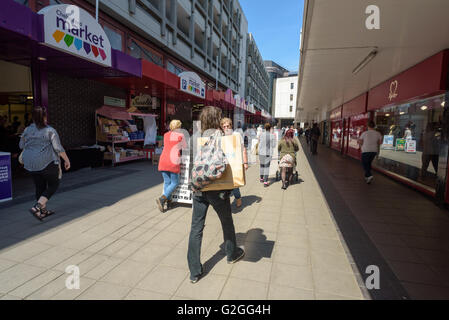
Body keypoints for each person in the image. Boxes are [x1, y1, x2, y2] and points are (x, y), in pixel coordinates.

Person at [187, 106, 245, 284]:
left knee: (196, 227)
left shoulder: (194, 137)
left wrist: (193, 186)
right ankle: (232, 253)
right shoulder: (224, 137)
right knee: (226, 221)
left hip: (199, 188)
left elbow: (191, 165)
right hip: (219, 189)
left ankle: (195, 271)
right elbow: (233, 162)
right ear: (218, 119)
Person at [19, 106, 71, 220]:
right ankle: (37, 207)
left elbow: (21, 145)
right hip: (47, 162)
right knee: (54, 184)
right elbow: (58, 148)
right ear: (44, 117)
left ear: (33, 117)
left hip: (30, 164)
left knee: (39, 186)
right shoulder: (50, 130)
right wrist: (67, 160)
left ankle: (42, 212)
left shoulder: (27, 130)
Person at [156, 119, 187, 212]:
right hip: (173, 161)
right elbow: (185, 147)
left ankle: (168, 202)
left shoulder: (165, 135)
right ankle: (162, 198)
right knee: (174, 182)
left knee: (167, 182)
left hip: (163, 159)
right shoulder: (180, 135)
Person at [220, 118, 249, 208]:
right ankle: (225, 201)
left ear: (231, 126)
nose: (226, 128)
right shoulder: (222, 137)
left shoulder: (237, 135)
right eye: (224, 126)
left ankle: (238, 198)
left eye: (227, 126)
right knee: (225, 183)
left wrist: (245, 162)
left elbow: (243, 148)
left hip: (235, 162)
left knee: (235, 183)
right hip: (225, 163)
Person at [258, 123, 275, 187]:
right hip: (268, 153)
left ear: (264, 128)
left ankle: (261, 178)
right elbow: (273, 145)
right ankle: (265, 182)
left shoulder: (261, 134)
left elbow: (259, 143)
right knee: (266, 167)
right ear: (270, 128)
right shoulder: (272, 135)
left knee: (261, 166)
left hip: (261, 153)